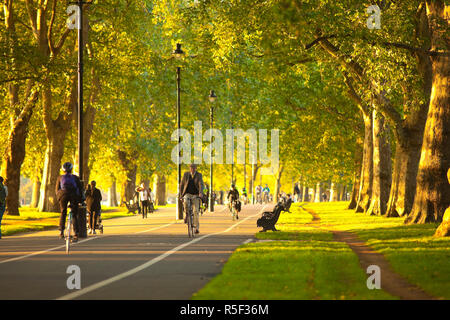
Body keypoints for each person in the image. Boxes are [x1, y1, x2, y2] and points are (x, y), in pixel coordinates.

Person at [55, 162, 84, 241]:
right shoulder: (75, 177)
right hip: (73, 195)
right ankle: (76, 233)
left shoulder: (60, 178)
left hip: (63, 195)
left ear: (63, 170)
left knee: (63, 212)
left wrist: (59, 198)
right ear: (71, 169)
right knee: (74, 214)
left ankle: (61, 231)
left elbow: (57, 190)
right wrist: (81, 200)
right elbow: (80, 190)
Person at [180, 163, 204, 234]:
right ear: (189, 168)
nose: (192, 169)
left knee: (196, 211)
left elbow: (201, 184)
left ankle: (196, 227)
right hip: (187, 194)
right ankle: (187, 214)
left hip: (196, 195)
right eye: (191, 168)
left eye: (194, 168)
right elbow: (182, 185)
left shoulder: (199, 175)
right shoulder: (186, 175)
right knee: (186, 203)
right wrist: (181, 195)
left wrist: (200, 192)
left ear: (196, 168)